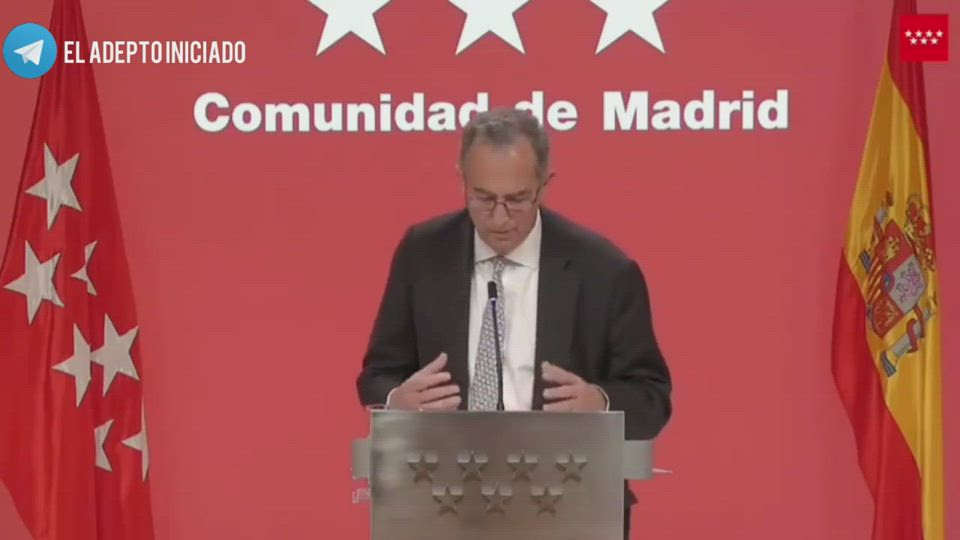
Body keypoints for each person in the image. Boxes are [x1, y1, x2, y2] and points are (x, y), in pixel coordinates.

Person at [356, 107, 672, 539]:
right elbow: (377, 374)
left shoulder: (604, 271)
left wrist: (599, 405)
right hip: (442, 504)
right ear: (462, 180)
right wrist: (397, 402)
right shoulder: (423, 253)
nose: (499, 218)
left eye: (518, 199)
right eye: (483, 198)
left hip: (569, 506)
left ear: (545, 184)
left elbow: (652, 397)